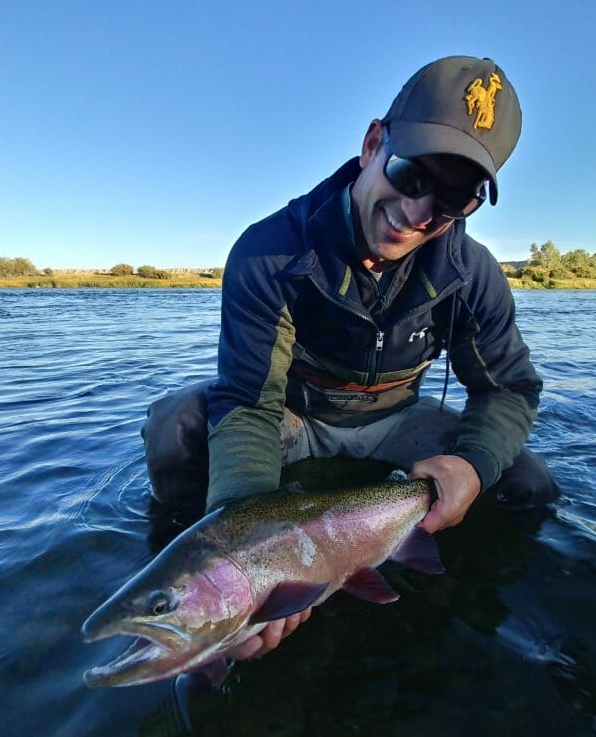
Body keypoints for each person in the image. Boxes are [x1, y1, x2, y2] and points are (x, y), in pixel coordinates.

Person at [142, 56, 558, 658]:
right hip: (296, 418)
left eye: (455, 198)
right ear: (372, 144)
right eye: (412, 175)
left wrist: (472, 466)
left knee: (527, 483)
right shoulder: (269, 253)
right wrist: (247, 563)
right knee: (176, 426)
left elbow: (509, 390)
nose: (419, 214)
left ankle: (458, 605)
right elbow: (251, 403)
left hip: (398, 423)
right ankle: (180, 585)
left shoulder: (474, 275)